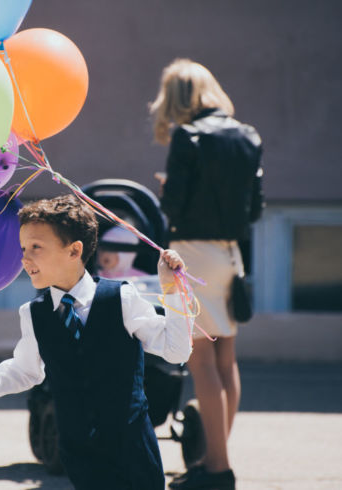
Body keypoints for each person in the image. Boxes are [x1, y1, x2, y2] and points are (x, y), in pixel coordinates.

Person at [0, 194, 193, 490]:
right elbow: (25, 369)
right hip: (79, 452)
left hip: (132, 449)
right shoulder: (34, 313)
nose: (25, 258)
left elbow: (176, 351)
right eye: (23, 248)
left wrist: (173, 291)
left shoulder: (121, 298)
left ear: (74, 251)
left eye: (36, 248)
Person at [149, 58, 264, 490]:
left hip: (192, 256)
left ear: (176, 98)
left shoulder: (188, 136)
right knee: (226, 360)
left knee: (201, 363)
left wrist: (166, 189)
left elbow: (174, 206)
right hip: (231, 255)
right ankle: (215, 458)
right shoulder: (248, 135)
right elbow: (256, 209)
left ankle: (217, 469)